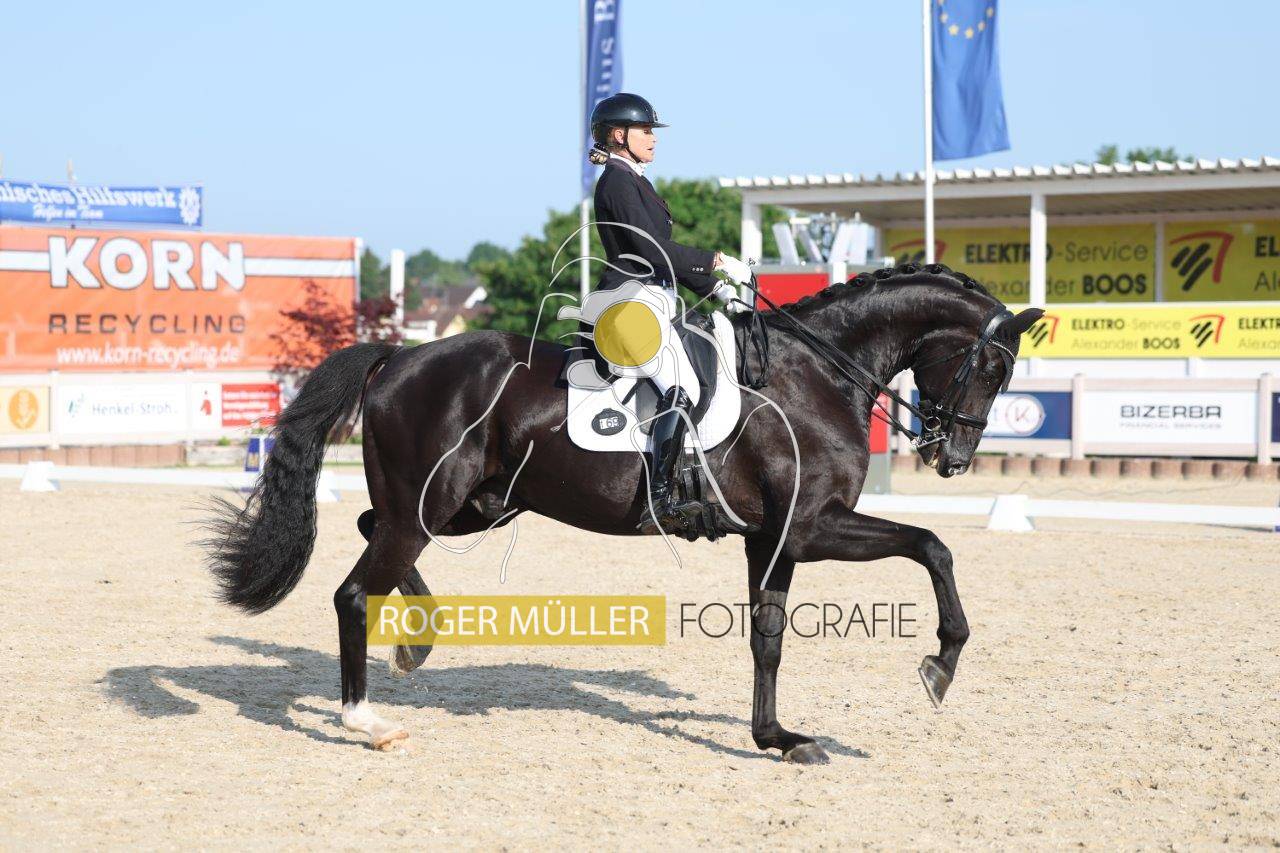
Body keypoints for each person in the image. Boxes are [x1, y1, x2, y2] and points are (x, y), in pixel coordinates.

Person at [586, 92, 752, 534]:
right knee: (681, 388)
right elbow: (650, 249)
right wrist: (715, 260)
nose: (653, 139)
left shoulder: (635, 180)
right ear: (618, 135)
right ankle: (659, 498)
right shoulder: (617, 182)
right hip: (628, 304)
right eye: (645, 131)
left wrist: (716, 289)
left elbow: (664, 258)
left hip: (652, 301)